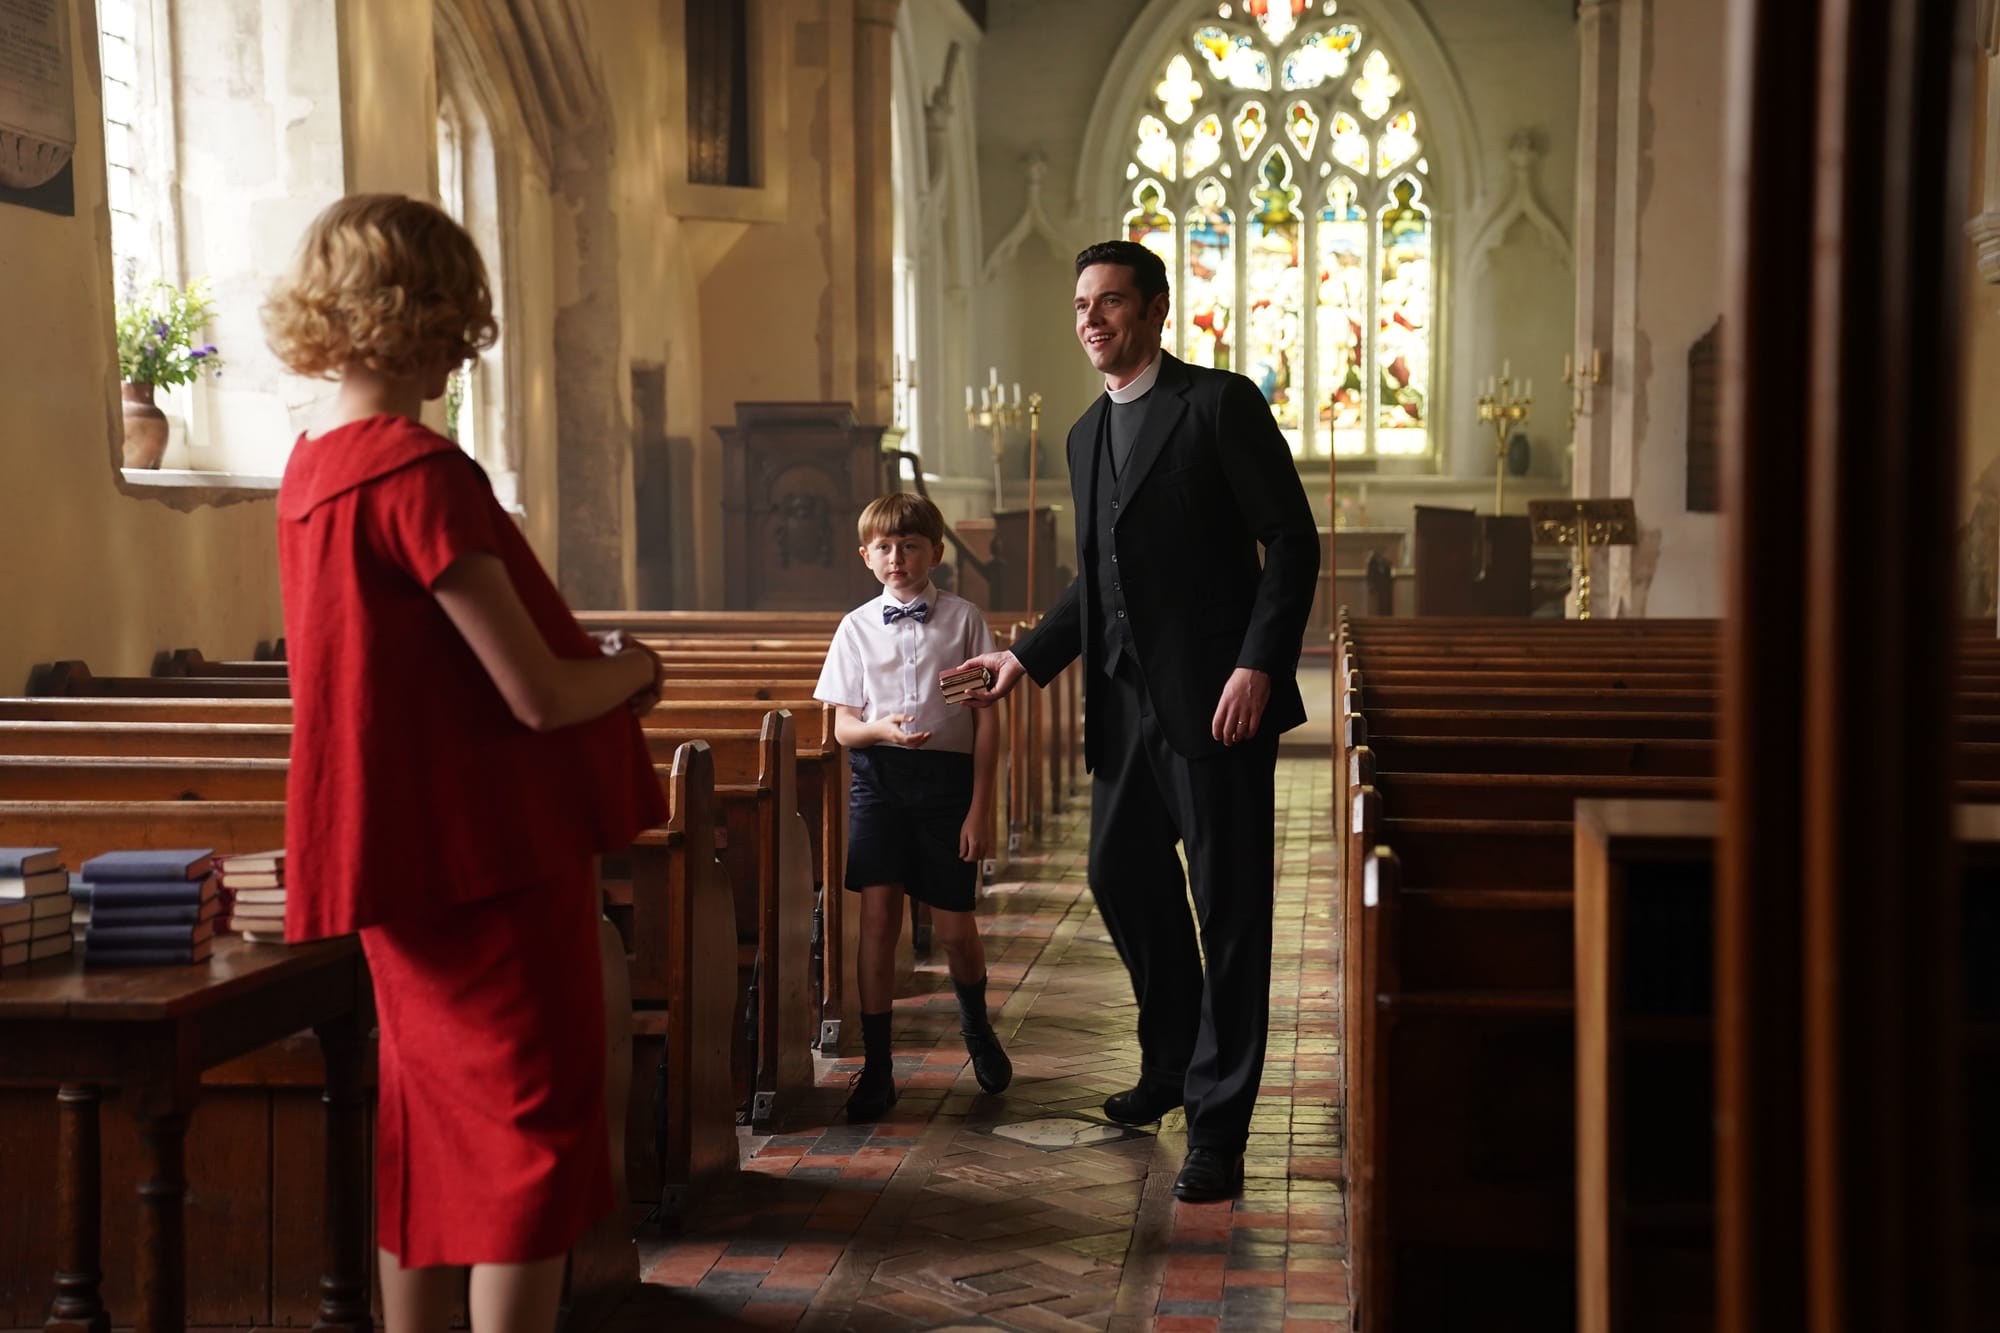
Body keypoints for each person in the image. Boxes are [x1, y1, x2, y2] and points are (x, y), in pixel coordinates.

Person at [265, 193, 669, 1333]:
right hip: (486, 856)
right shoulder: (417, 473)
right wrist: (635, 673)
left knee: (429, 1128)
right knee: (529, 1134)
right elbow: (539, 692)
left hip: (390, 856)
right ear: (434, 311)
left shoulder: (309, 469)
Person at [952, 240, 1319, 1202]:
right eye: (1081, 305)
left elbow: (1291, 540)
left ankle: (1220, 1124)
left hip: (1218, 704)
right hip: (1122, 704)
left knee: (1231, 911)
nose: (1091, 319)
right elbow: (1096, 582)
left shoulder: (1219, 403)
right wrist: (1024, 659)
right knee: (1117, 872)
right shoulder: (1084, 435)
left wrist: (1257, 662)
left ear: (1157, 310)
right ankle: (1171, 1061)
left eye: (1112, 302)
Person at [815, 493, 1012, 1121]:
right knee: (878, 923)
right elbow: (845, 728)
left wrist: (980, 811)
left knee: (954, 927)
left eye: (910, 545)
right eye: (884, 547)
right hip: (879, 781)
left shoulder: (962, 621)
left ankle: (977, 1028)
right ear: (866, 556)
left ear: (936, 552)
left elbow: (984, 727)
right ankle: (877, 1069)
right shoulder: (855, 627)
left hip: (948, 785)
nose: (897, 557)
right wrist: (884, 732)